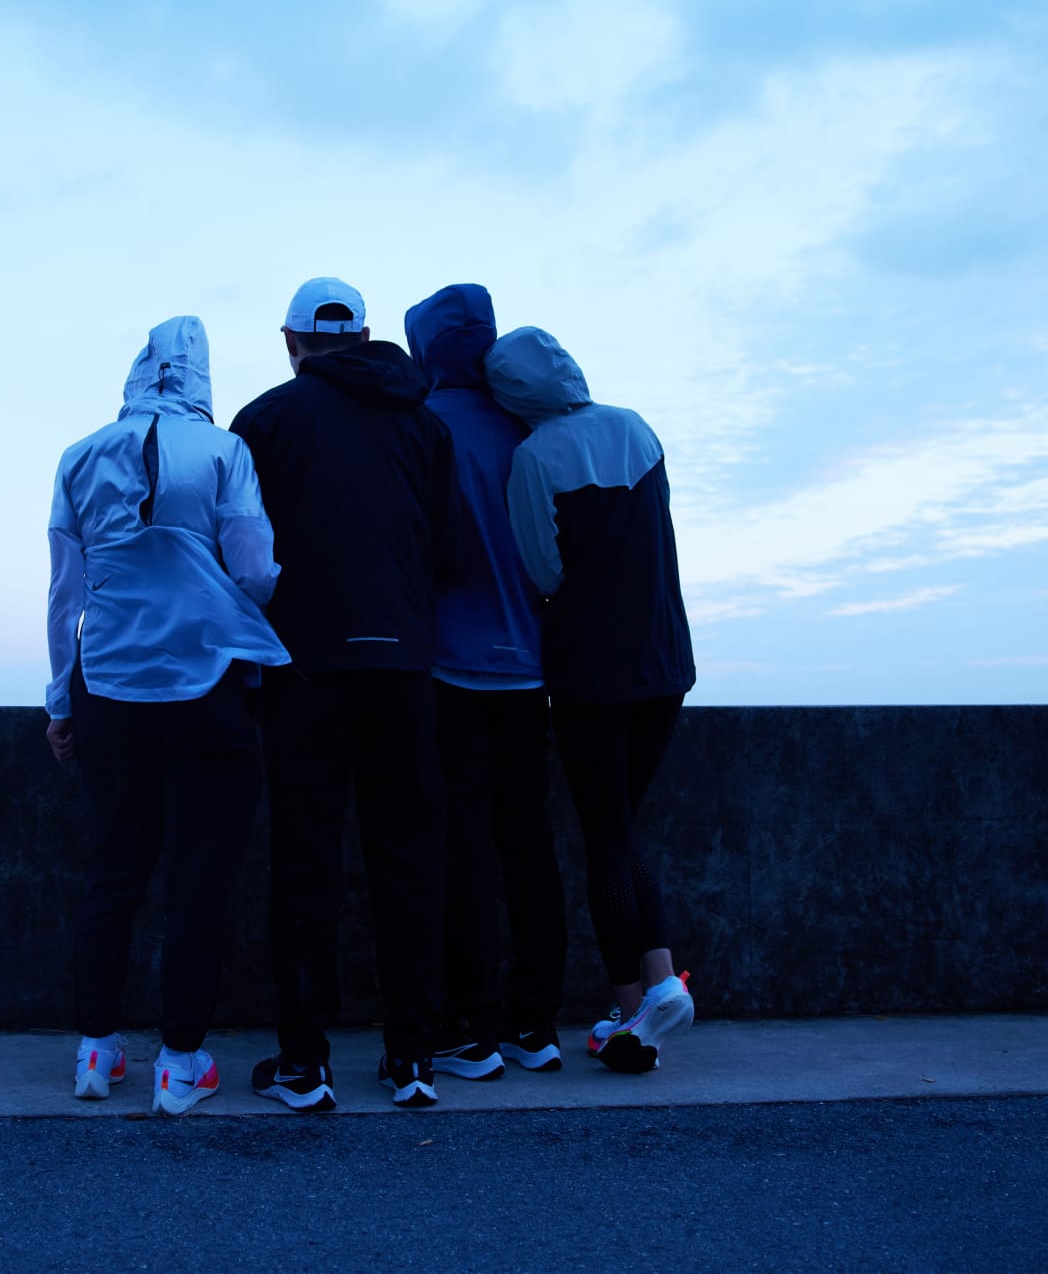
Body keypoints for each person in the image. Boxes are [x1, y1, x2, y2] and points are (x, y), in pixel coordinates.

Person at [44, 314, 290, 1116]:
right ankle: (180, 1062)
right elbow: (254, 572)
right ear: (202, 376)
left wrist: (60, 700)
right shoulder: (224, 452)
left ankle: (95, 1049)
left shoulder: (79, 456)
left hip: (108, 684)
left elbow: (65, 595)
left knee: (113, 871)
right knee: (196, 878)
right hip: (205, 684)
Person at [230, 277, 458, 1110]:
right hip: (403, 667)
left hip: (303, 670)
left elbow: (240, 557)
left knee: (305, 860)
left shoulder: (265, 421)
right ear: (363, 337)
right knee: (409, 859)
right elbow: (451, 551)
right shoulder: (424, 423)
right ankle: (413, 1057)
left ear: (291, 342)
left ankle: (304, 1063)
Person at [484, 325, 698, 1075]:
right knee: (622, 827)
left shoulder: (535, 456)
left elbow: (543, 568)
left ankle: (636, 1002)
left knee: (605, 836)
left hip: (590, 671)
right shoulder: (636, 427)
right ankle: (658, 984)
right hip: (665, 660)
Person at [403, 284, 565, 1080]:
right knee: (529, 843)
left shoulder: (422, 427)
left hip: (449, 666)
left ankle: (471, 1024)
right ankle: (536, 1024)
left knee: (462, 847)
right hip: (530, 666)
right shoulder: (528, 428)